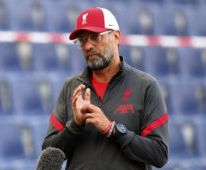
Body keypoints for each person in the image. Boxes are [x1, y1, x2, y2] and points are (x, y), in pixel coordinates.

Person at [42, 7, 169, 170]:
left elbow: (159, 154)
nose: (87, 46)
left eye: (95, 37)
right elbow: (48, 153)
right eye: (82, 40)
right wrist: (75, 126)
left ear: (116, 37)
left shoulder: (145, 86)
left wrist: (113, 130)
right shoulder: (71, 87)